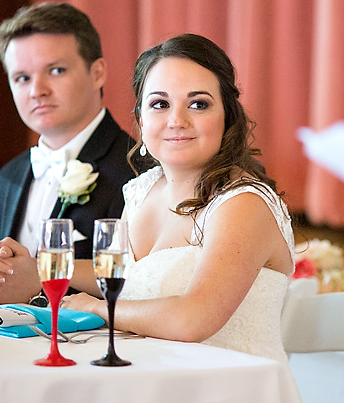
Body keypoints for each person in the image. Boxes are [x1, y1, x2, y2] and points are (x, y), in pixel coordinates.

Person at [61, 34, 295, 363]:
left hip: (228, 392)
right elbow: (119, 275)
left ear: (227, 116)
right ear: (141, 120)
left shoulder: (243, 204)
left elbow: (194, 319)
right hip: (154, 377)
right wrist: (41, 272)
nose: (177, 121)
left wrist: (97, 308)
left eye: (198, 104)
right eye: (160, 104)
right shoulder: (142, 191)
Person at [0, 2, 135, 305]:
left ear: (97, 73)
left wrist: (39, 284)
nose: (37, 90)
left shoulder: (137, 170)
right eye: (22, 78)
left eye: (56, 71)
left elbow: (142, 286)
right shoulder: (5, 179)